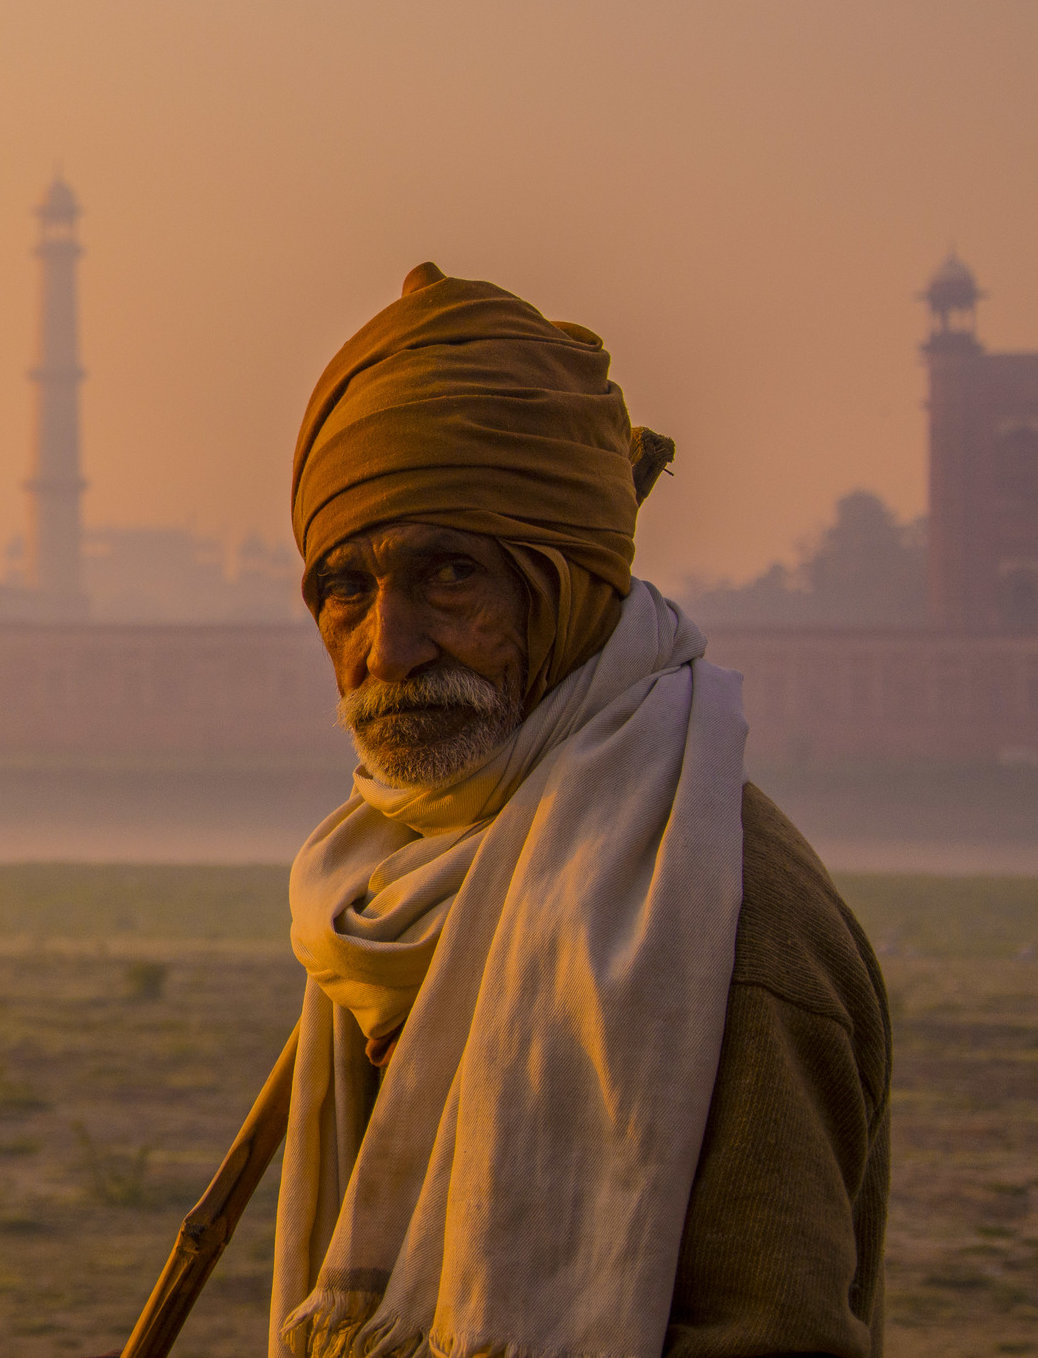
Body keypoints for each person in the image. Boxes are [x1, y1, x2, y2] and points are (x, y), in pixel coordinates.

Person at [272, 264, 888, 1358]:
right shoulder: (386, 894)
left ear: (564, 588)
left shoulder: (720, 922)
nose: (387, 648)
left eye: (449, 574)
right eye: (346, 588)